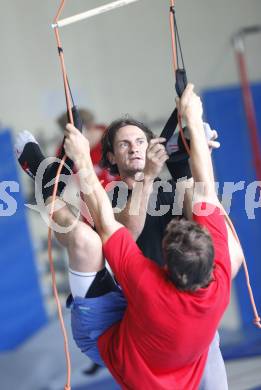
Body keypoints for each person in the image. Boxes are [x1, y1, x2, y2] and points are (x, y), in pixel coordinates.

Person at [14, 87, 243, 388]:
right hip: (119, 304)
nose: (134, 148)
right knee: (85, 240)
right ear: (111, 156)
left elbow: (204, 197)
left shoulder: (169, 197)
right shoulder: (111, 195)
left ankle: (178, 161)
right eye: (124, 145)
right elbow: (125, 230)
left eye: (139, 142)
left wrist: (192, 144)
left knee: (222, 241)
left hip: (162, 305)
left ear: (152, 148)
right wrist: (193, 138)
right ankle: (48, 186)